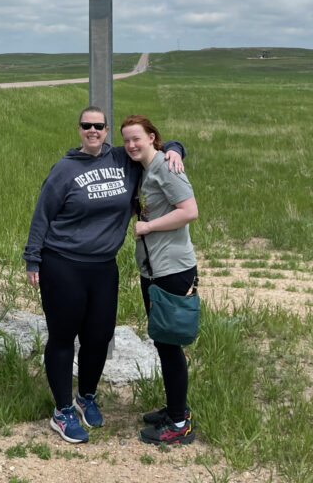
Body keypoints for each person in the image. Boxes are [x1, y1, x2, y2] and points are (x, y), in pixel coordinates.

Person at [23, 106, 186, 444]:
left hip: (103, 267)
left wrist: (176, 149)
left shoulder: (122, 159)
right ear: (79, 129)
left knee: (99, 337)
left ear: (107, 129)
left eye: (99, 126)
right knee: (63, 337)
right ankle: (63, 410)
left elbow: (157, 144)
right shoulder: (65, 169)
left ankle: (86, 396)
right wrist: (33, 259)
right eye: (87, 126)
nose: (93, 130)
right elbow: (43, 214)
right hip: (63, 263)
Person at [121, 114, 199, 446]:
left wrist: (148, 227)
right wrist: (175, 147)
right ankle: (175, 408)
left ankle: (180, 424)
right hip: (154, 271)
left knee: (170, 346)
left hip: (172, 270)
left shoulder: (167, 168)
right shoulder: (147, 168)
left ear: (153, 137)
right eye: (126, 140)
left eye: (137, 138)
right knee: (163, 343)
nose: (131, 145)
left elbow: (189, 210)